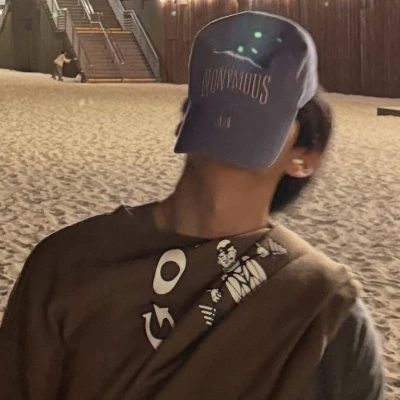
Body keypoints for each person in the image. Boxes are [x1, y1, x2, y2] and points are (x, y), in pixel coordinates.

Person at [0, 11, 384, 400]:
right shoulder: (67, 264)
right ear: (182, 123)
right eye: (223, 91)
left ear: (305, 158)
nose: (235, 108)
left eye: (260, 98)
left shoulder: (325, 313)